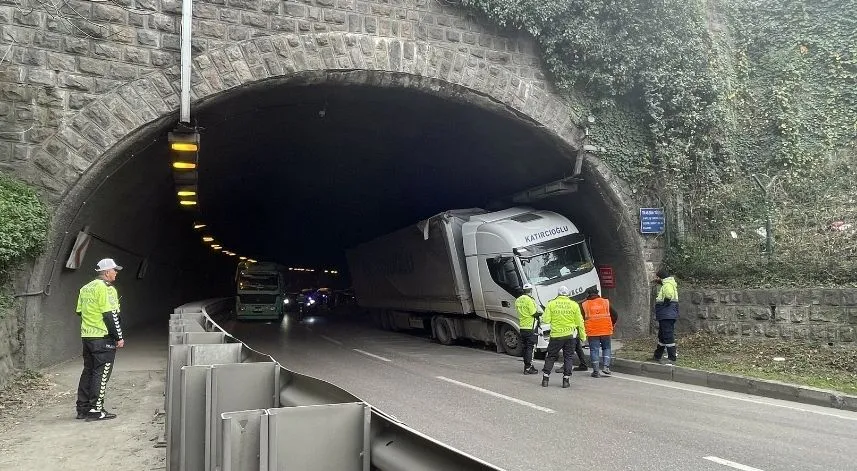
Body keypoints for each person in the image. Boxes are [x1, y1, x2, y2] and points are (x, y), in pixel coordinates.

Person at [76, 258, 125, 421]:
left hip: (87, 337)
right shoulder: (107, 289)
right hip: (103, 338)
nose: (116, 273)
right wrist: (119, 337)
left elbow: (79, 312)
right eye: (114, 270)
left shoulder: (85, 288)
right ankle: (96, 410)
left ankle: (82, 408)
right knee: (101, 373)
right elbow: (110, 315)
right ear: (106, 272)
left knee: (88, 371)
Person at [540, 286, 586, 388]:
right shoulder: (574, 305)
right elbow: (580, 322)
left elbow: (546, 320)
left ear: (558, 294)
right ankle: (566, 381)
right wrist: (583, 336)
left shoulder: (551, 304)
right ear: (567, 294)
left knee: (551, 356)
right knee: (568, 357)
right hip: (570, 336)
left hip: (556, 336)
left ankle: (545, 379)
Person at [581, 287, 619, 377]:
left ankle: (596, 371)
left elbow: (581, 318)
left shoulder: (584, 304)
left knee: (594, 350)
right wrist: (611, 324)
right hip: (606, 329)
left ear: (588, 294)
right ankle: (606, 367)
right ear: (597, 293)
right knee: (606, 348)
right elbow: (615, 314)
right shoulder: (605, 302)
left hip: (592, 331)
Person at [652, 268, 679, 365]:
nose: (656, 278)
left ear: (660, 277)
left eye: (657, 277)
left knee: (667, 336)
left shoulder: (667, 285)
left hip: (666, 314)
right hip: (668, 314)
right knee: (662, 336)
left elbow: (668, 295)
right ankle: (657, 355)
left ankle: (672, 358)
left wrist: (664, 305)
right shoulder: (668, 283)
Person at [515, 283, 540, 374]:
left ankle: (526, 365)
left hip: (522, 327)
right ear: (530, 291)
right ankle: (528, 367)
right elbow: (533, 313)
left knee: (525, 348)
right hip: (531, 327)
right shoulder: (530, 300)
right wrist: (540, 314)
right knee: (531, 348)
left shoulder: (517, 300)